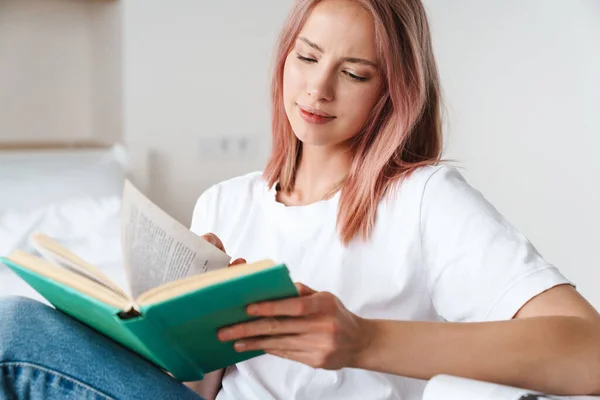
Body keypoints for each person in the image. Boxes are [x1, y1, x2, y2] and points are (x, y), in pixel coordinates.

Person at [1, 0, 599, 399]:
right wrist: (187, 324)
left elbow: (589, 354)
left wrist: (364, 340)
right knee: (16, 321)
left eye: (355, 72)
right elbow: (199, 388)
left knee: (13, 332)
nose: (318, 87)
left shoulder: (422, 199)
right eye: (307, 57)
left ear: (394, 93)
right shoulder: (223, 204)